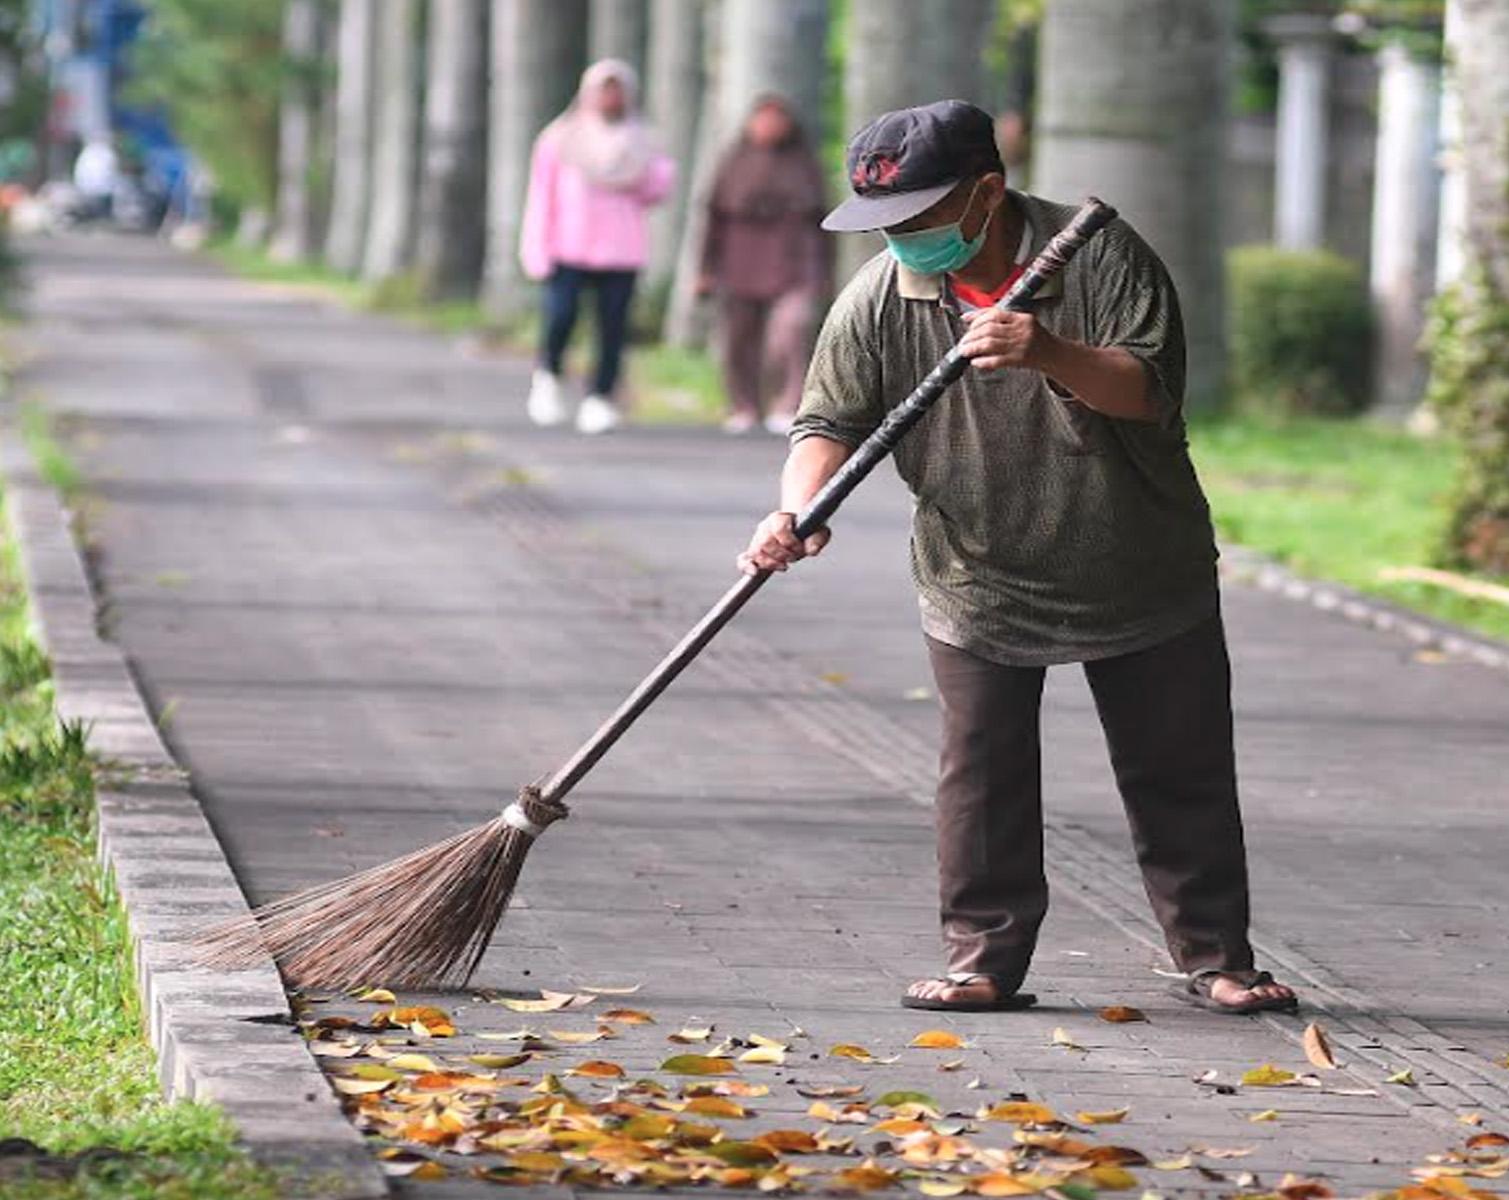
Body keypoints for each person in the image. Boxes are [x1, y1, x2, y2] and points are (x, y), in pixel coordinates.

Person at [739, 100, 1298, 1017]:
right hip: (977, 565)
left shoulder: (1101, 260)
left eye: (916, 219)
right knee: (981, 768)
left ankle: (1216, 956)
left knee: (1176, 766)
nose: (898, 241)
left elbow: (1148, 392)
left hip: (1136, 555)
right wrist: (797, 508)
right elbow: (826, 421)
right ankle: (982, 959)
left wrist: (1048, 349)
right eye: (882, 225)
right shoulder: (880, 299)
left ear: (987, 194)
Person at [520, 59, 676, 435]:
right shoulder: (559, 139)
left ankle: (601, 395)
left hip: (621, 251)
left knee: (612, 327)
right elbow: (542, 197)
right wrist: (535, 248)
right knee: (560, 317)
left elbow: (658, 190)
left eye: (617, 89)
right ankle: (549, 375)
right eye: (604, 89)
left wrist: (638, 171)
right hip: (568, 246)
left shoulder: (643, 141)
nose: (611, 97)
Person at [696, 95, 832, 435]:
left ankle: (788, 402)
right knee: (739, 338)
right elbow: (712, 218)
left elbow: (823, 224)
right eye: (762, 118)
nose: (769, 126)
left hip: (793, 261)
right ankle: (743, 405)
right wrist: (705, 270)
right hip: (739, 261)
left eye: (777, 119)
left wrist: (824, 274)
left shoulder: (803, 165)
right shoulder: (732, 162)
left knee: (790, 332)